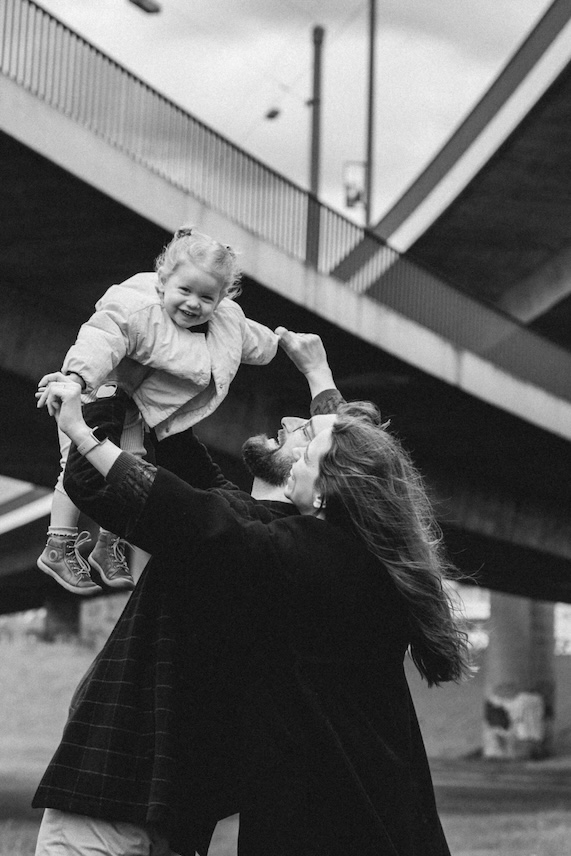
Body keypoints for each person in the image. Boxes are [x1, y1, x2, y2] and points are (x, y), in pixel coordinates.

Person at [33, 330, 471, 856]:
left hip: (149, 789)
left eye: (303, 438)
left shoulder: (287, 551)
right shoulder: (324, 553)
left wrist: (88, 418)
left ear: (321, 488)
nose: (290, 425)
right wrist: (317, 377)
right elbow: (360, 458)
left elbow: (176, 510)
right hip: (301, 808)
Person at [35, 226, 278, 595]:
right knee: (77, 468)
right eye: (184, 291)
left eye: (206, 297)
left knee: (130, 465)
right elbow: (102, 336)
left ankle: (107, 545)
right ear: (164, 281)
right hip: (92, 392)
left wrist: (282, 341)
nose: (194, 304)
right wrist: (75, 378)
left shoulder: (225, 322)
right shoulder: (137, 306)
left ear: (222, 299)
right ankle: (58, 544)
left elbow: (251, 337)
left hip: (133, 404)